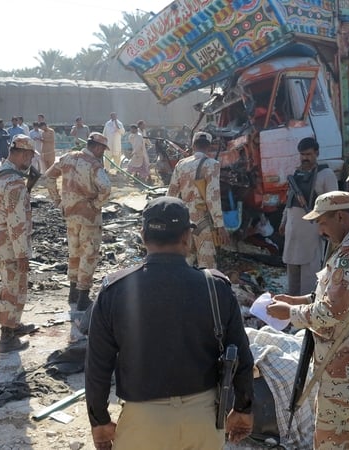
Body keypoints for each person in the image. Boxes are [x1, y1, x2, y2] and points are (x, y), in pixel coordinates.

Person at [85, 196, 254, 450]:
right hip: (204, 418)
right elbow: (241, 354)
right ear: (187, 237)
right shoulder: (215, 287)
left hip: (143, 422)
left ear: (143, 236)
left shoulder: (115, 290)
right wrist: (243, 407)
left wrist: (99, 420)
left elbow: (98, 365)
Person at [267, 191, 349, 450]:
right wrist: (297, 300)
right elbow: (335, 294)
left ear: (341, 216)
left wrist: (289, 314)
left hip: (345, 357)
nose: (321, 231)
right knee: (336, 425)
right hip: (344, 354)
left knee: (332, 436)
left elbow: (330, 313)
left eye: (322, 222)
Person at [0, 135, 39, 353]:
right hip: (11, 243)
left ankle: (14, 324)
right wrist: (23, 254)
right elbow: (17, 223)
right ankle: (7, 336)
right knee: (13, 288)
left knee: (10, 284)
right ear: (24, 154)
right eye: (30, 156)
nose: (31, 161)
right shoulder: (15, 183)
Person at [46, 132, 112, 310]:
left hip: (70, 213)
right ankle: (83, 296)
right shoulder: (94, 164)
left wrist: (58, 201)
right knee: (89, 254)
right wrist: (97, 204)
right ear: (97, 147)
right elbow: (106, 188)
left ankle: (73, 292)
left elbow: (49, 176)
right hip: (88, 217)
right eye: (103, 150)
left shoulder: (67, 157)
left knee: (74, 252)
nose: (103, 153)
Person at [279, 137, 338, 295]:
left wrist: (328, 229)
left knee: (309, 277)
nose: (305, 158)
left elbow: (334, 205)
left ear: (317, 153)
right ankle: (291, 311)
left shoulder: (326, 174)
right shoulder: (296, 175)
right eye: (302, 154)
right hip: (293, 233)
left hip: (312, 231)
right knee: (292, 276)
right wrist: (284, 221)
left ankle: (308, 312)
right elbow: (289, 202)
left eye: (308, 154)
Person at [167, 131, 228, 269]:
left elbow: (171, 194)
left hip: (183, 220)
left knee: (185, 261)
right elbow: (213, 196)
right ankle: (206, 289)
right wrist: (220, 225)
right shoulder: (212, 164)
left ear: (193, 145)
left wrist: (170, 220)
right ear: (209, 147)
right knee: (207, 266)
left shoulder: (181, 164)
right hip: (203, 221)